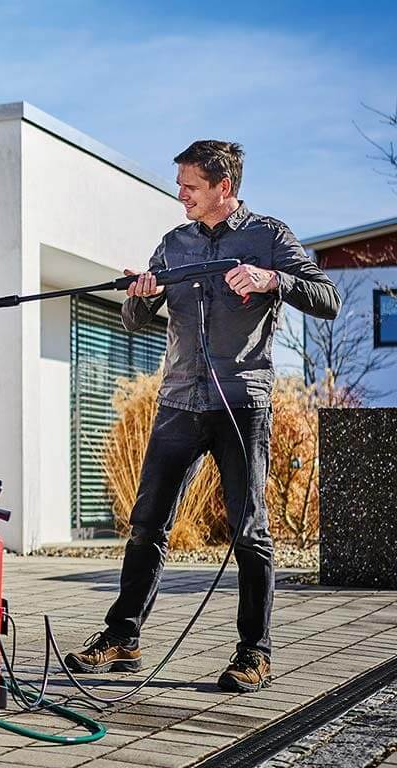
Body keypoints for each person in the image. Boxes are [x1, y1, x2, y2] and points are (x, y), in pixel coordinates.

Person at [65, 140, 340, 693]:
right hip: (177, 403)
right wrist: (141, 295)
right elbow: (134, 319)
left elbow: (327, 296)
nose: (181, 193)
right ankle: (122, 639)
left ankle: (253, 654)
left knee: (249, 532)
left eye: (190, 185)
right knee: (147, 525)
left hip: (241, 403)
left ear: (225, 188)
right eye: (181, 184)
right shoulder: (174, 244)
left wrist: (271, 281)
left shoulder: (268, 237)